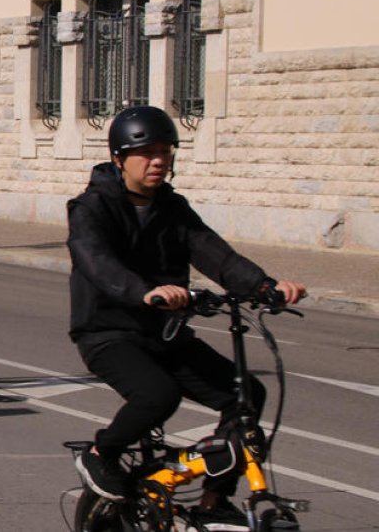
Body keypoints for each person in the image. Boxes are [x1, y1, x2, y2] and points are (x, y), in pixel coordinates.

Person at [67, 105, 305, 531]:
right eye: (147, 153)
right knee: (157, 395)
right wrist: (145, 292)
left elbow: (217, 255)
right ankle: (102, 453)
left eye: (165, 152)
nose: (158, 161)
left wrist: (265, 287)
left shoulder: (172, 208)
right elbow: (96, 262)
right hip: (108, 332)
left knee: (245, 396)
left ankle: (214, 500)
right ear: (119, 158)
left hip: (165, 331)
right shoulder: (91, 207)